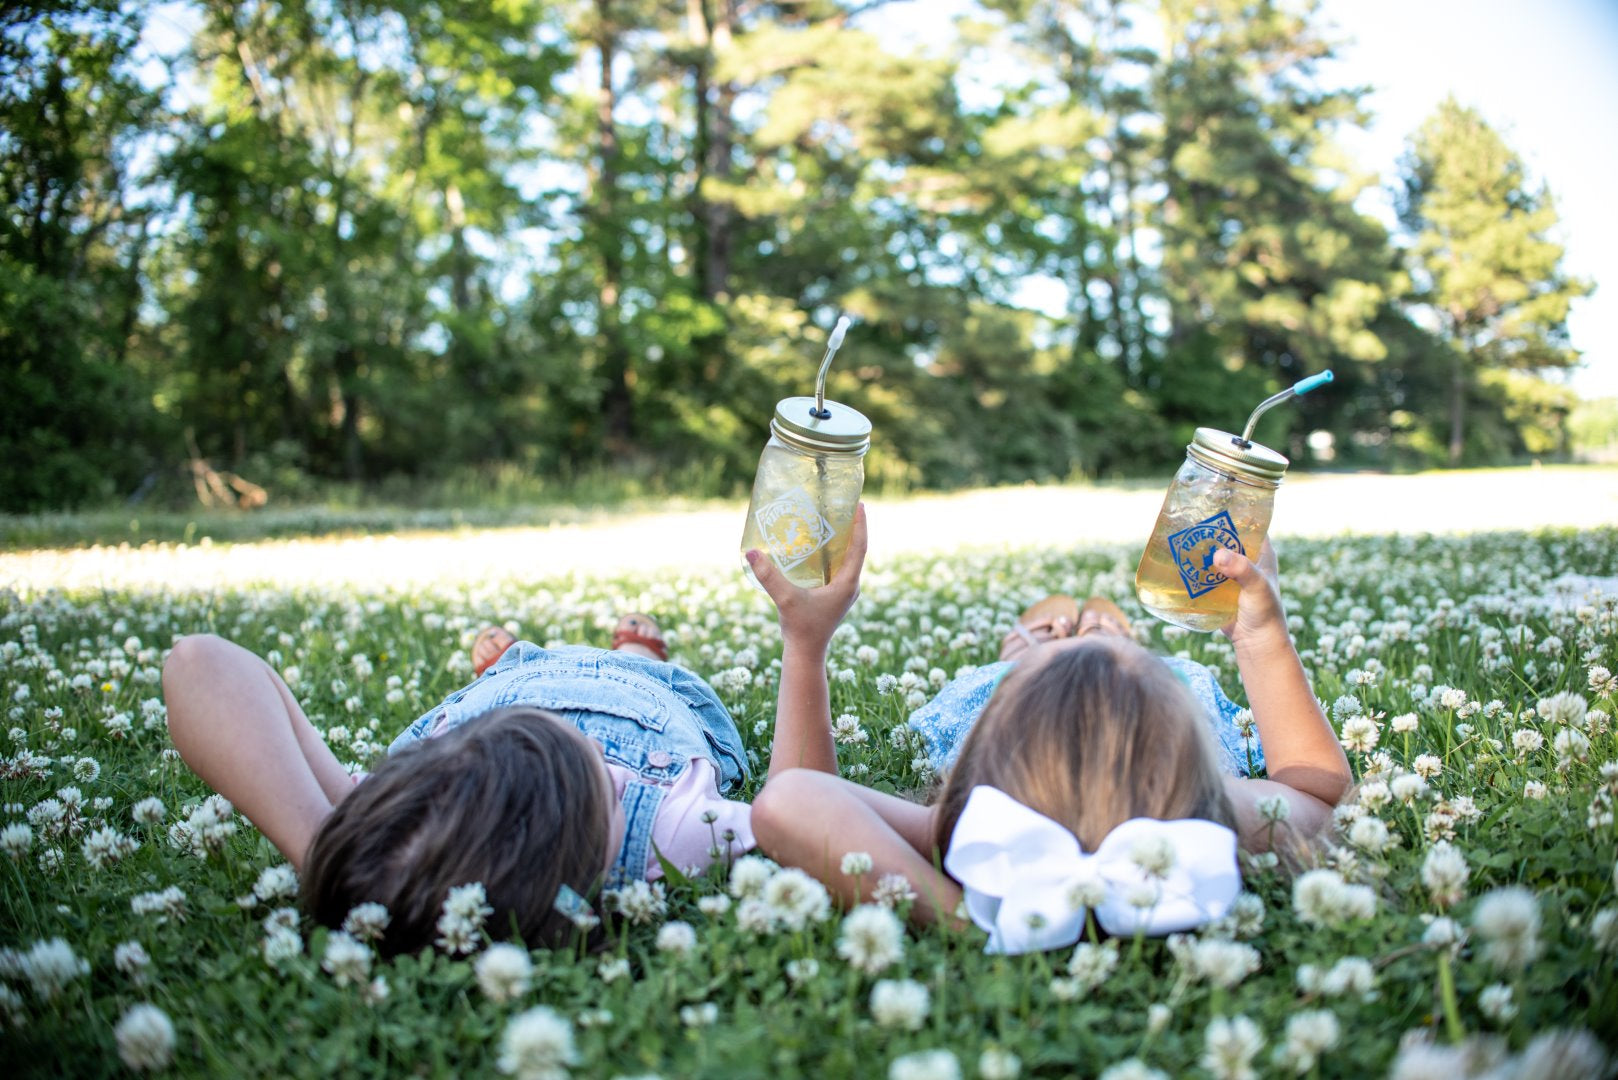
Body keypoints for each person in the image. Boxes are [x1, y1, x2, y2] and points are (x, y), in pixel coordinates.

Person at [162, 540, 861, 957]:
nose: (596, 758)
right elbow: (807, 814)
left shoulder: (398, 832)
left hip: (503, 694)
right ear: (600, 828)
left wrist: (325, 850)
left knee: (517, 681)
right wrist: (805, 646)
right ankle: (634, 655)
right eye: (601, 777)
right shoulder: (666, 840)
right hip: (648, 709)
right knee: (635, 674)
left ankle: (508, 677)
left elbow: (197, 663)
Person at [747, 518, 1352, 953]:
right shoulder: (1209, 814)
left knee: (1063, 666)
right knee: (1107, 663)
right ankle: (1105, 644)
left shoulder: (972, 829)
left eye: (1011, 681)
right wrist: (1259, 635)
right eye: (1058, 640)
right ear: (1193, 762)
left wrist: (971, 918)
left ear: (972, 769)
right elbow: (1319, 795)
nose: (1075, 636)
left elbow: (791, 798)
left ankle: (1033, 650)